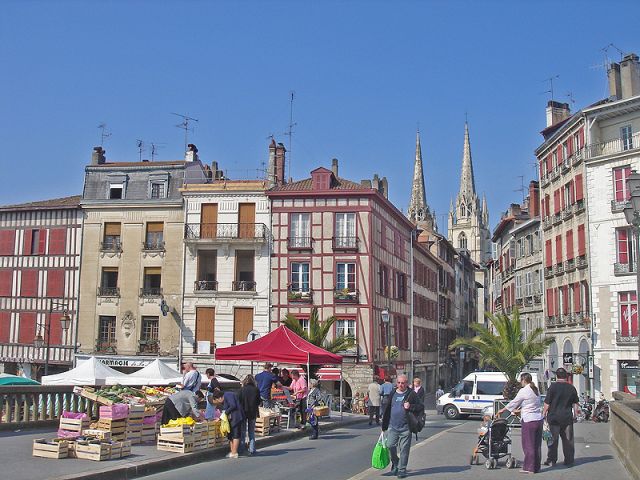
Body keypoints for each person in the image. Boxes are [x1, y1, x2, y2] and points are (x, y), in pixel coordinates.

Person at [497, 373, 543, 474]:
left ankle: (529, 468)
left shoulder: (524, 390)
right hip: (538, 419)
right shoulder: (536, 390)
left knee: (528, 445)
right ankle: (536, 467)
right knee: (537, 445)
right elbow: (532, 404)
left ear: (523, 380)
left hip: (529, 420)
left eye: (521, 381)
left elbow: (514, 402)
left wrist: (503, 410)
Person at [381, 374, 422, 479]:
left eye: (403, 383)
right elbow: (388, 409)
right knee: (390, 445)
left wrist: (410, 406)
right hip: (393, 427)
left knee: (404, 450)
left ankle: (402, 469)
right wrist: (384, 424)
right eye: (399, 383)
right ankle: (396, 462)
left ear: (407, 383)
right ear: (396, 383)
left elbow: (421, 407)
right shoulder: (393, 393)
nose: (400, 385)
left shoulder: (411, 394)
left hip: (406, 427)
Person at [543, 368, 579, 467]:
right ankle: (569, 460)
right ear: (566, 376)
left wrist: (543, 415)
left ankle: (551, 460)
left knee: (553, 440)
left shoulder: (552, 387)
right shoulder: (571, 388)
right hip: (567, 417)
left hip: (553, 417)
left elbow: (547, 403)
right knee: (568, 440)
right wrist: (575, 415)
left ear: (557, 376)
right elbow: (575, 403)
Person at [209, 389, 245, 459]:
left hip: (236, 417)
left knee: (235, 435)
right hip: (230, 419)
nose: (218, 403)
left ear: (219, 398)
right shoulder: (225, 398)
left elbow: (233, 405)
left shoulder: (228, 395)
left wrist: (224, 413)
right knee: (230, 435)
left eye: (217, 401)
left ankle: (235, 452)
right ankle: (232, 451)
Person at [238, 374, 261, 455]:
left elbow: (238, 401)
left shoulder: (242, 389)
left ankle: (241, 449)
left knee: (243, 431)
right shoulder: (256, 390)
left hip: (243, 412)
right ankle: (252, 449)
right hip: (253, 412)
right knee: (251, 431)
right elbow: (259, 402)